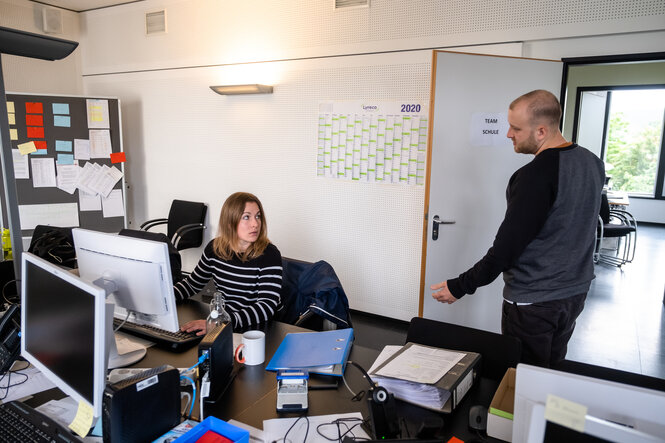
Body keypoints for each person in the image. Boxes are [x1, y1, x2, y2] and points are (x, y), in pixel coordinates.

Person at [430, 89, 605, 368]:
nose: (508, 134)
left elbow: (505, 251)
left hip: (534, 304)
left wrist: (459, 286)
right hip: (573, 294)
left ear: (541, 131)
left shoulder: (534, 176)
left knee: (522, 378)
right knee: (551, 371)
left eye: (516, 128)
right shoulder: (592, 162)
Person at [177, 192, 283, 334]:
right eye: (247, 217)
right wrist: (160, 299)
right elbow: (191, 284)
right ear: (229, 222)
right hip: (228, 323)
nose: (255, 223)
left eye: (258, 216)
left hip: (261, 328)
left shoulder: (270, 255)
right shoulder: (214, 249)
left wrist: (222, 322)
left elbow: (266, 307)